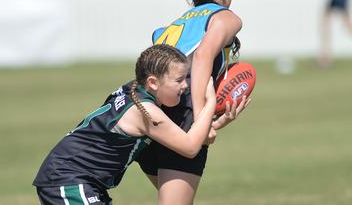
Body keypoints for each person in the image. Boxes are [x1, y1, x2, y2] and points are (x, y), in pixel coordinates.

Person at [33, 44, 217, 205]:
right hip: (67, 180)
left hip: (79, 181)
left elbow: (187, 136)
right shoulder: (144, 111)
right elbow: (191, 147)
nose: (185, 85)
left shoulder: (134, 89)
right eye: (179, 80)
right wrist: (211, 101)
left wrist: (221, 119)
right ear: (153, 82)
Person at [136, 0, 249, 205]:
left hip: (149, 113)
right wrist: (201, 120)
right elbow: (202, 58)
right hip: (183, 115)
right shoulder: (224, 17)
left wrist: (215, 120)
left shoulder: (170, 27)